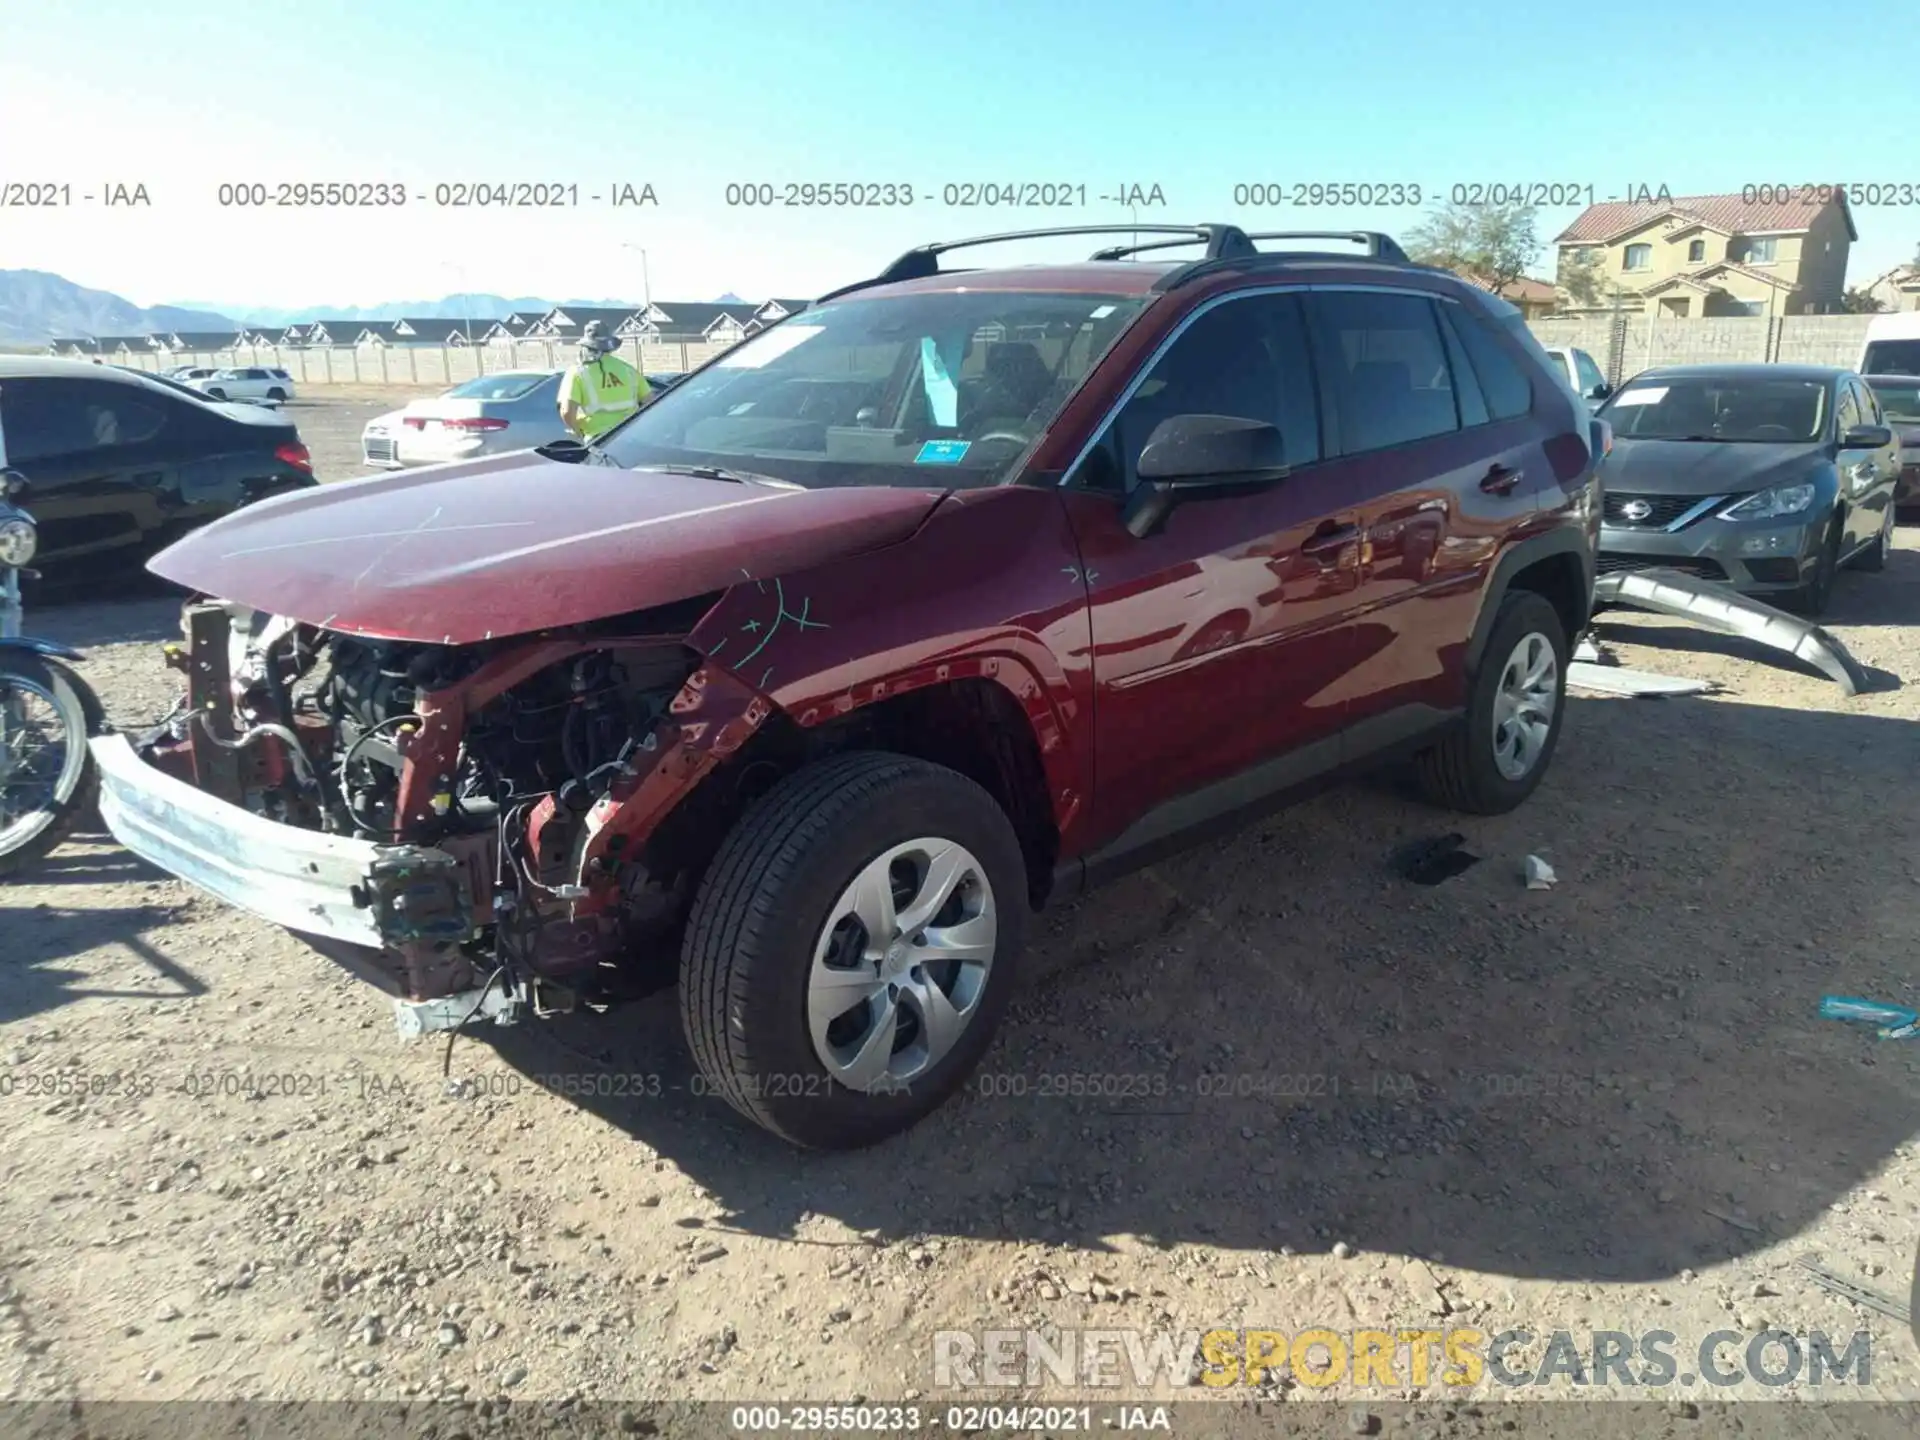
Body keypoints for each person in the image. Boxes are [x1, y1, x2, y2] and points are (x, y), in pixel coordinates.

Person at [558, 321, 651, 440]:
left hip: (599, 440)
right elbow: (649, 401)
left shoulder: (577, 372)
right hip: (631, 436)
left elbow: (567, 412)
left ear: (586, 346)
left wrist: (577, 431)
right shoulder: (629, 370)